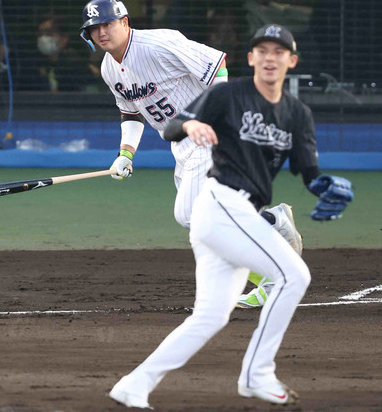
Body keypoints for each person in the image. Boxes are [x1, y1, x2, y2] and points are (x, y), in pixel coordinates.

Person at [108, 24, 353, 408]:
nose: (270, 57)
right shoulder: (227, 95)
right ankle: (257, 375)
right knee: (296, 275)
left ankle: (133, 385)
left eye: (279, 51)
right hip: (222, 204)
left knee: (210, 317)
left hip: (228, 217)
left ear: (292, 61)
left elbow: (307, 170)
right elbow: (172, 125)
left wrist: (326, 188)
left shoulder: (297, 114)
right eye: (262, 50)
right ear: (251, 58)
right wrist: (188, 123)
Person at [79, 0, 302, 309]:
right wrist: (126, 154)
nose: (102, 31)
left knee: (192, 216)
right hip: (182, 146)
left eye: (108, 23)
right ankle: (271, 227)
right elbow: (131, 114)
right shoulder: (108, 69)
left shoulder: (159, 43)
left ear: (125, 22)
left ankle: (274, 265)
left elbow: (217, 65)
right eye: (94, 28)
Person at [309, 0, 382, 90]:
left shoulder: (376, 0)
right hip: (333, 73)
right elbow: (317, 37)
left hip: (372, 74)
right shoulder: (326, 2)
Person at [28, 14, 97, 92]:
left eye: (49, 33)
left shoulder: (76, 65)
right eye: (40, 33)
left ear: (64, 38)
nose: (43, 38)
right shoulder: (34, 65)